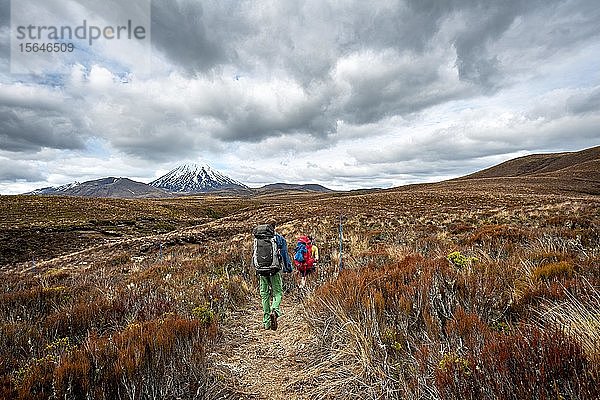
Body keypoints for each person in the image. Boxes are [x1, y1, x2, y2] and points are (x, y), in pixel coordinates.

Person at [252, 220, 292, 330]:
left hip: (261, 270)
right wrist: (288, 268)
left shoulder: (257, 238)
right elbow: (284, 254)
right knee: (278, 292)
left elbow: (254, 254)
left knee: (264, 295)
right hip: (274, 270)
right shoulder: (279, 238)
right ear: (274, 227)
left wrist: (256, 268)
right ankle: (275, 310)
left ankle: (266, 323)